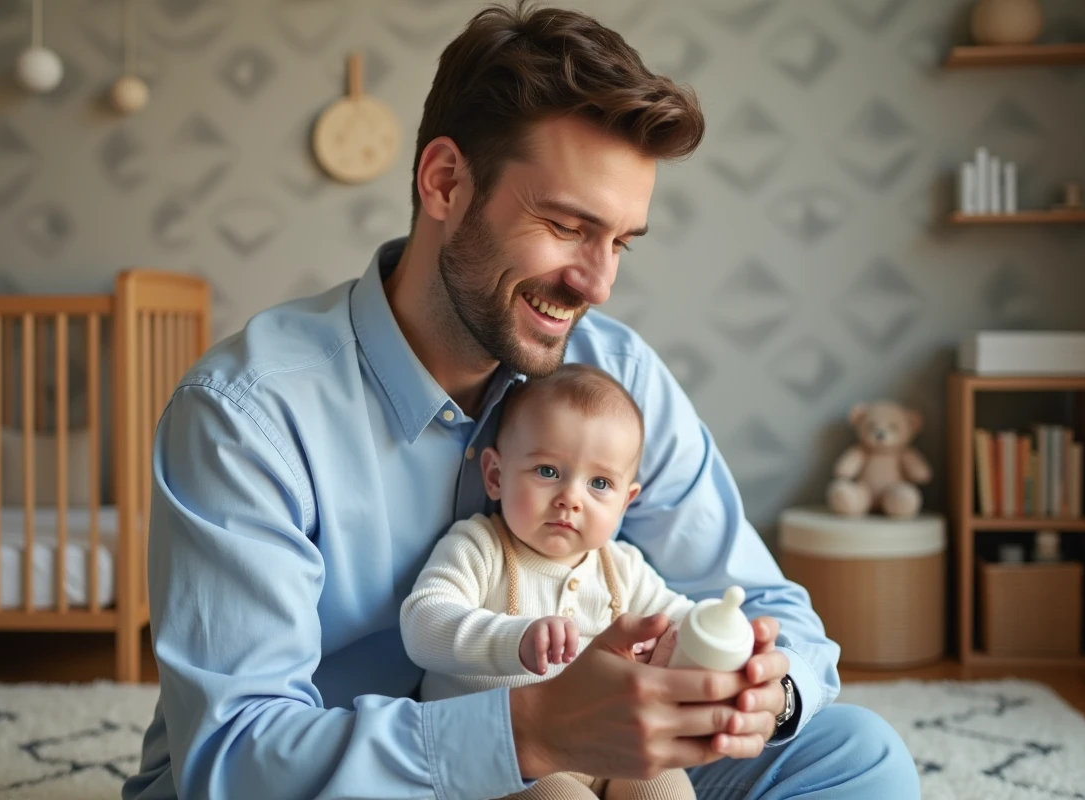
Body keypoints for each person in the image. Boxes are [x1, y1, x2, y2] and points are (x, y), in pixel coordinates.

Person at [123, 3, 920, 799]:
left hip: (590, 758)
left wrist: (765, 697)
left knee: (858, 757)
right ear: (445, 183)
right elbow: (235, 760)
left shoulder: (615, 376)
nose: (597, 283)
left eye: (619, 242)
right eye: (568, 226)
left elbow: (765, 603)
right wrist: (530, 733)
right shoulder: (247, 415)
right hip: (348, 779)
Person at [400, 364, 698, 800]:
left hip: (607, 745)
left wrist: (716, 634)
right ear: (495, 476)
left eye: (599, 483)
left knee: (666, 787)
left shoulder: (622, 568)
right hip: (500, 755)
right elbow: (423, 623)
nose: (570, 498)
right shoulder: (480, 546)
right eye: (547, 471)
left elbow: (679, 617)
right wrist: (515, 639)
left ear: (624, 502)